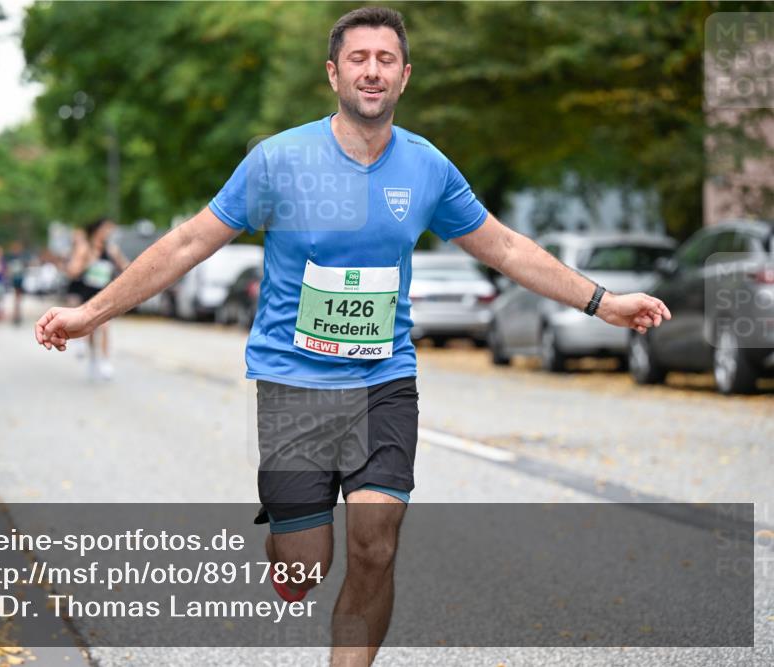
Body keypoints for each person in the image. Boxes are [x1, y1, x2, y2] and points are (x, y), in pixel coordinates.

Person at [36, 7, 671, 665]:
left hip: (382, 378)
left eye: (386, 59)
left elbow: (506, 247)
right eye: (359, 58)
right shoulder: (278, 161)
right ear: (333, 73)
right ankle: (287, 549)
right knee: (306, 564)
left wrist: (603, 302)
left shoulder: (426, 167)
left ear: (405, 76)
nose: (373, 71)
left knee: (376, 541)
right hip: (293, 382)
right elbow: (189, 241)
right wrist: (91, 314)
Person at [74, 219, 130, 380]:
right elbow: (74, 270)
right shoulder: (86, 248)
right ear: (97, 230)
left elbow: (125, 266)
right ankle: (93, 357)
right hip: (87, 293)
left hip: (104, 293)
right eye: (106, 230)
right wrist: (88, 263)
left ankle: (105, 361)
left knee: (105, 326)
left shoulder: (111, 249)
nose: (108, 233)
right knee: (91, 329)